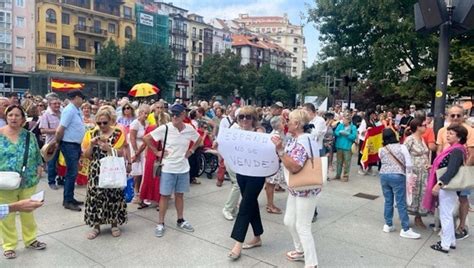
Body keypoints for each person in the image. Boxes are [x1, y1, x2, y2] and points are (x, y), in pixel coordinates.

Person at [143, 104, 202, 238]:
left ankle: (180, 219)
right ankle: (161, 223)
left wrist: (191, 151)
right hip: (168, 168)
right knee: (164, 196)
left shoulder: (189, 129)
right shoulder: (165, 128)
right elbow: (147, 138)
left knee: (179, 195)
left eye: (177, 114)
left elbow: (199, 139)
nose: (174, 116)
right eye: (173, 114)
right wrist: (156, 151)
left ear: (183, 115)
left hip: (183, 168)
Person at [271, 109, 320, 268]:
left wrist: (280, 150)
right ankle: (300, 251)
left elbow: (294, 167)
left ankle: (312, 263)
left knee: (302, 226)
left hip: (305, 188)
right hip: (296, 188)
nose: (287, 123)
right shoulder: (297, 138)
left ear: (297, 124)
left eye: (290, 121)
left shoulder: (302, 141)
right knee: (289, 221)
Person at [0, 105, 46, 259]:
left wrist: (40, 165)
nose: (13, 118)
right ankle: (9, 245)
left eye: (17, 115)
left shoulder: (29, 136)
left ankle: (30, 239)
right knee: (7, 215)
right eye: (10, 115)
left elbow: (36, 153)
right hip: (5, 183)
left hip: (28, 180)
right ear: (6, 117)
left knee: (28, 211)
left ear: (22, 119)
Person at [82, 106, 128, 239]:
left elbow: (121, 153)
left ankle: (114, 224)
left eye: (105, 122)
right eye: (99, 123)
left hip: (112, 168)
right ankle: (96, 226)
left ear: (111, 121)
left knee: (113, 195)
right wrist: (91, 145)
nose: (102, 125)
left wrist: (109, 148)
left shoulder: (118, 133)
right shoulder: (91, 133)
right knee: (95, 197)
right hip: (96, 169)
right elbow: (86, 155)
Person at [227, 106, 266, 260]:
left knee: (244, 206)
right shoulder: (236, 133)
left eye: (248, 117)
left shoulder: (259, 132)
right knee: (251, 205)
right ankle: (257, 236)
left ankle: (238, 243)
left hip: (256, 175)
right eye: (241, 116)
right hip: (241, 173)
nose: (244, 120)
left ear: (254, 119)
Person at [426, 124, 468, 253]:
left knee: (446, 215)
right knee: (447, 214)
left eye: (451, 134)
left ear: (459, 137)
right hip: (448, 186)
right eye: (448, 133)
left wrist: (439, 184)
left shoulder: (456, 150)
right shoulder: (455, 149)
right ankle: (451, 242)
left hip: (447, 186)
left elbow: (452, 170)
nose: (448, 135)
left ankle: (445, 244)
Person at [435, 105, 474, 240]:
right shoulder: (442, 131)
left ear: (463, 116)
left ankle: (462, 227)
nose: (456, 118)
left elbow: (471, 154)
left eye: (459, 115)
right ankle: (447, 228)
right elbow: (439, 150)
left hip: (459, 170)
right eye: (453, 115)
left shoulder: (469, 131)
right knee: (445, 202)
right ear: (448, 116)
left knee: (462, 199)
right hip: (445, 171)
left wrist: (461, 174)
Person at [378, 128, 421, 239]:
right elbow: (409, 164)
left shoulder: (381, 149)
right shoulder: (402, 147)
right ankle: (405, 228)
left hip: (384, 176)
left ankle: (388, 224)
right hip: (398, 176)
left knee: (388, 201)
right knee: (401, 202)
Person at [53, 90, 86, 212]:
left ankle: (70, 198)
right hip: (69, 144)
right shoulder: (69, 110)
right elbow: (60, 129)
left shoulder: (76, 110)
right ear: (76, 97)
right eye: (82, 98)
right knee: (71, 173)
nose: (83, 100)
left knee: (73, 173)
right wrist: (58, 142)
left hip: (74, 144)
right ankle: (67, 200)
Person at [139, 101, 170, 209]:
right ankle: (143, 198)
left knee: (159, 177)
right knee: (148, 176)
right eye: (157, 107)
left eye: (162, 107)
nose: (160, 109)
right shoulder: (150, 123)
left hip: (162, 152)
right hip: (152, 153)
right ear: (154, 109)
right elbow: (145, 140)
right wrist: (138, 153)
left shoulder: (167, 123)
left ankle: (159, 200)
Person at [403, 119, 429, 228]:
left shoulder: (422, 139)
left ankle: (418, 217)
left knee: (421, 194)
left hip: (423, 172)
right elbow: (403, 153)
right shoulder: (410, 139)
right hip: (413, 172)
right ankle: (405, 217)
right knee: (411, 194)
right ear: (418, 127)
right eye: (424, 125)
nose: (426, 127)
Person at [39, 93, 62, 190]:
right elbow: (43, 130)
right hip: (51, 144)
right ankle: (51, 181)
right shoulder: (46, 115)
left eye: (58, 103)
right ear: (49, 104)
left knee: (62, 163)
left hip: (63, 142)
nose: (57, 105)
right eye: (54, 104)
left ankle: (61, 179)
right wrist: (57, 130)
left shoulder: (63, 112)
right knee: (52, 163)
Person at [265, 116, 286, 214]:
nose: (285, 123)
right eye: (283, 122)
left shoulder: (278, 134)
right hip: (274, 163)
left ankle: (270, 204)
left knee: (270, 184)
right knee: (270, 184)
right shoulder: (276, 136)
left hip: (275, 162)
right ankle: (270, 205)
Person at [129, 104, 150, 202]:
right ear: (140, 113)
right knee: (137, 172)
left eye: (147, 113)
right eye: (145, 113)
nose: (146, 115)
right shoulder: (135, 123)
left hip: (144, 147)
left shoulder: (147, 123)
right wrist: (136, 151)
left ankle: (141, 192)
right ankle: (136, 192)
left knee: (142, 171)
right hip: (136, 147)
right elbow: (132, 137)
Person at [333, 113, 357, 181]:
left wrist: (347, 134)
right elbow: (335, 132)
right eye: (343, 119)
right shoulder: (340, 125)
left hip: (347, 147)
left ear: (348, 120)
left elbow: (353, 137)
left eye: (344, 120)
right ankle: (338, 175)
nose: (343, 121)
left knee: (347, 162)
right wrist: (339, 132)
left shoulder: (353, 127)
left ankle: (345, 176)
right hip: (339, 146)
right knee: (339, 161)